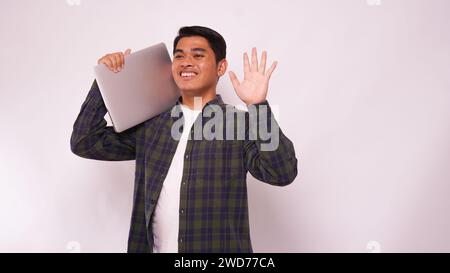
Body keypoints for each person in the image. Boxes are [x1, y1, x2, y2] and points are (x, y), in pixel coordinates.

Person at [70, 25, 298, 253]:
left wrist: (257, 106)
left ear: (221, 67)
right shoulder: (152, 124)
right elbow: (85, 141)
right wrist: (104, 83)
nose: (186, 62)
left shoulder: (240, 124)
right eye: (179, 56)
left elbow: (282, 173)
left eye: (198, 55)